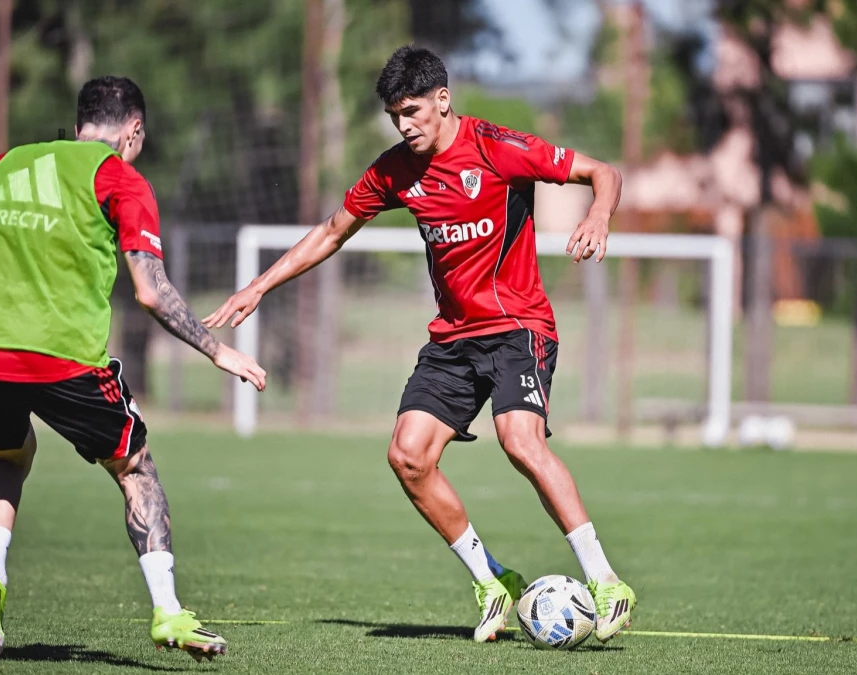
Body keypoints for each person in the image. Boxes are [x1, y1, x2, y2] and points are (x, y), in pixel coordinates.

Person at [204, 46, 636, 643]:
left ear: (442, 100)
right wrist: (259, 286)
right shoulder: (394, 170)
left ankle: (607, 581)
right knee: (408, 456)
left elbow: (604, 173)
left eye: (411, 111)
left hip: (518, 326)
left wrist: (599, 215)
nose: (404, 125)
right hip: (453, 337)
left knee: (519, 440)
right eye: (394, 116)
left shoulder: (497, 147)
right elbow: (332, 231)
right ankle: (492, 580)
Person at [0, 76, 266, 661]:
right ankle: (167, 611)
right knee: (134, 466)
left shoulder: (6, 164)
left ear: (83, 120)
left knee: (8, 457)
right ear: (133, 129)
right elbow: (151, 291)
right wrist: (219, 351)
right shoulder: (120, 178)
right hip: (61, 356)